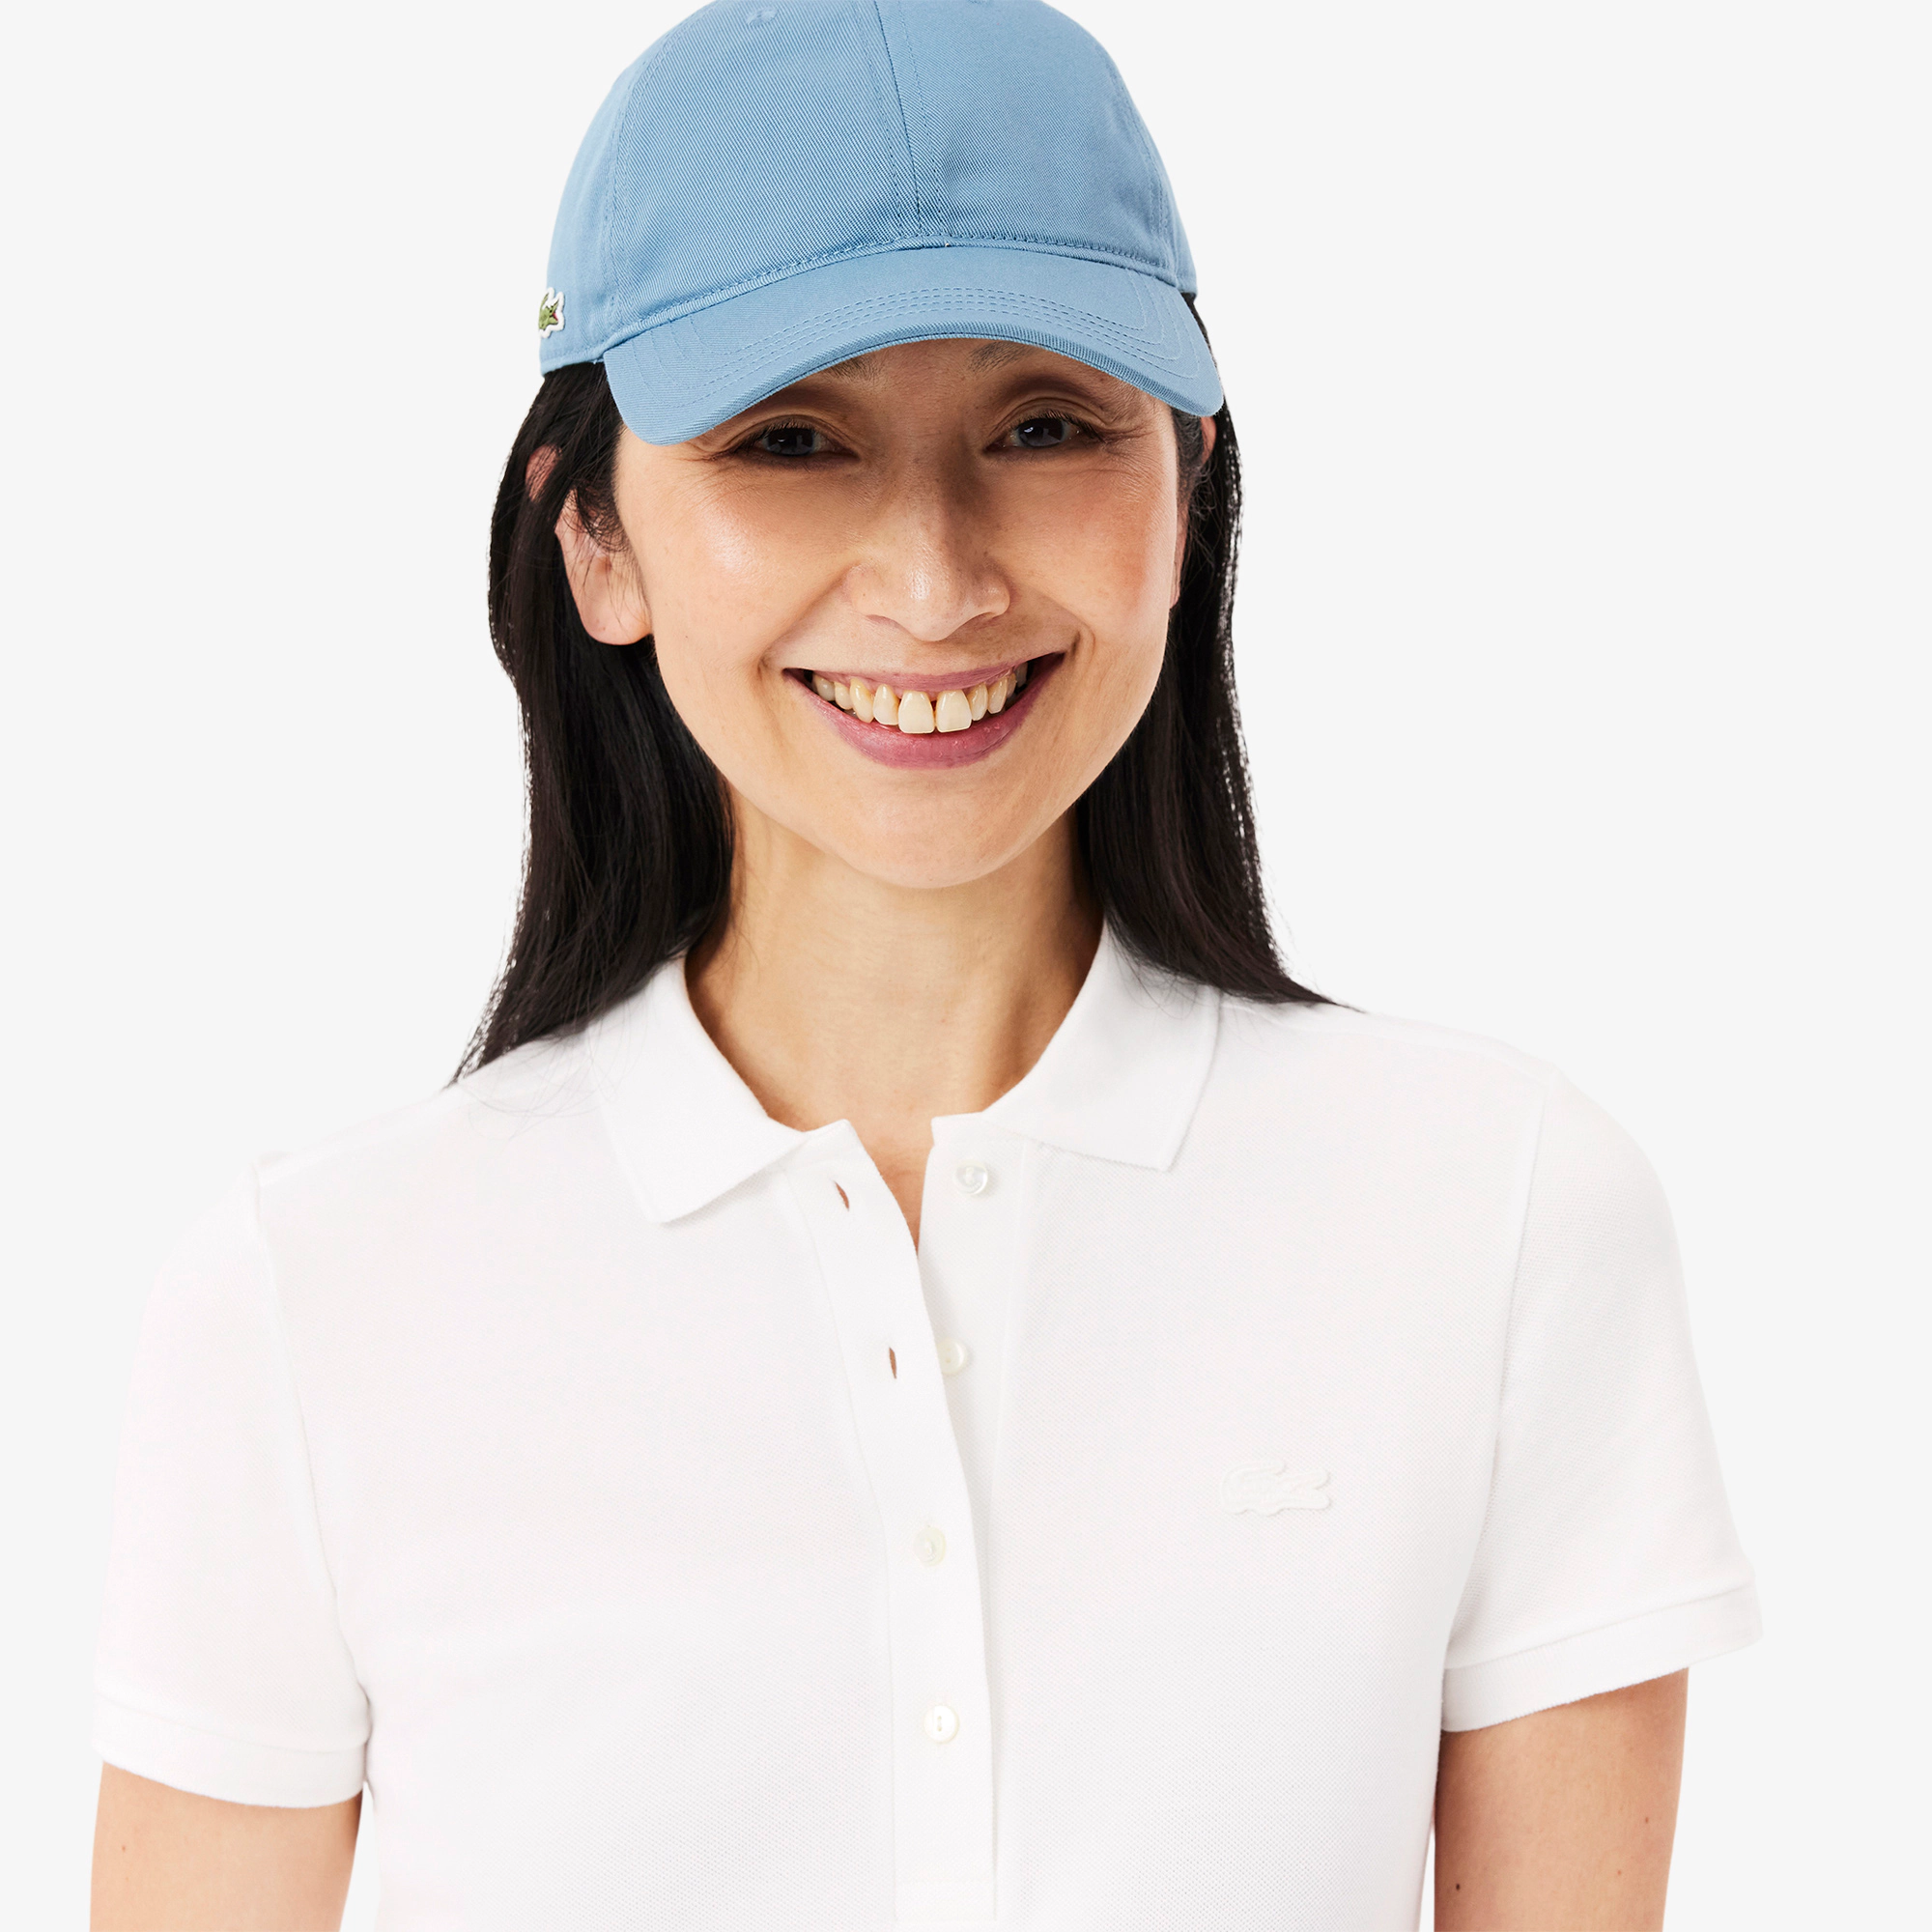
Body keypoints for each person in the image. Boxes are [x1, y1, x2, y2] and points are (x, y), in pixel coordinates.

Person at [88, 2, 1759, 1926]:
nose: (934, 580)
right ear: (596, 540)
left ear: (1189, 487)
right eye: (792, 442)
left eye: (1042, 427)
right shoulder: (310, 1301)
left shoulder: (1502, 1215)